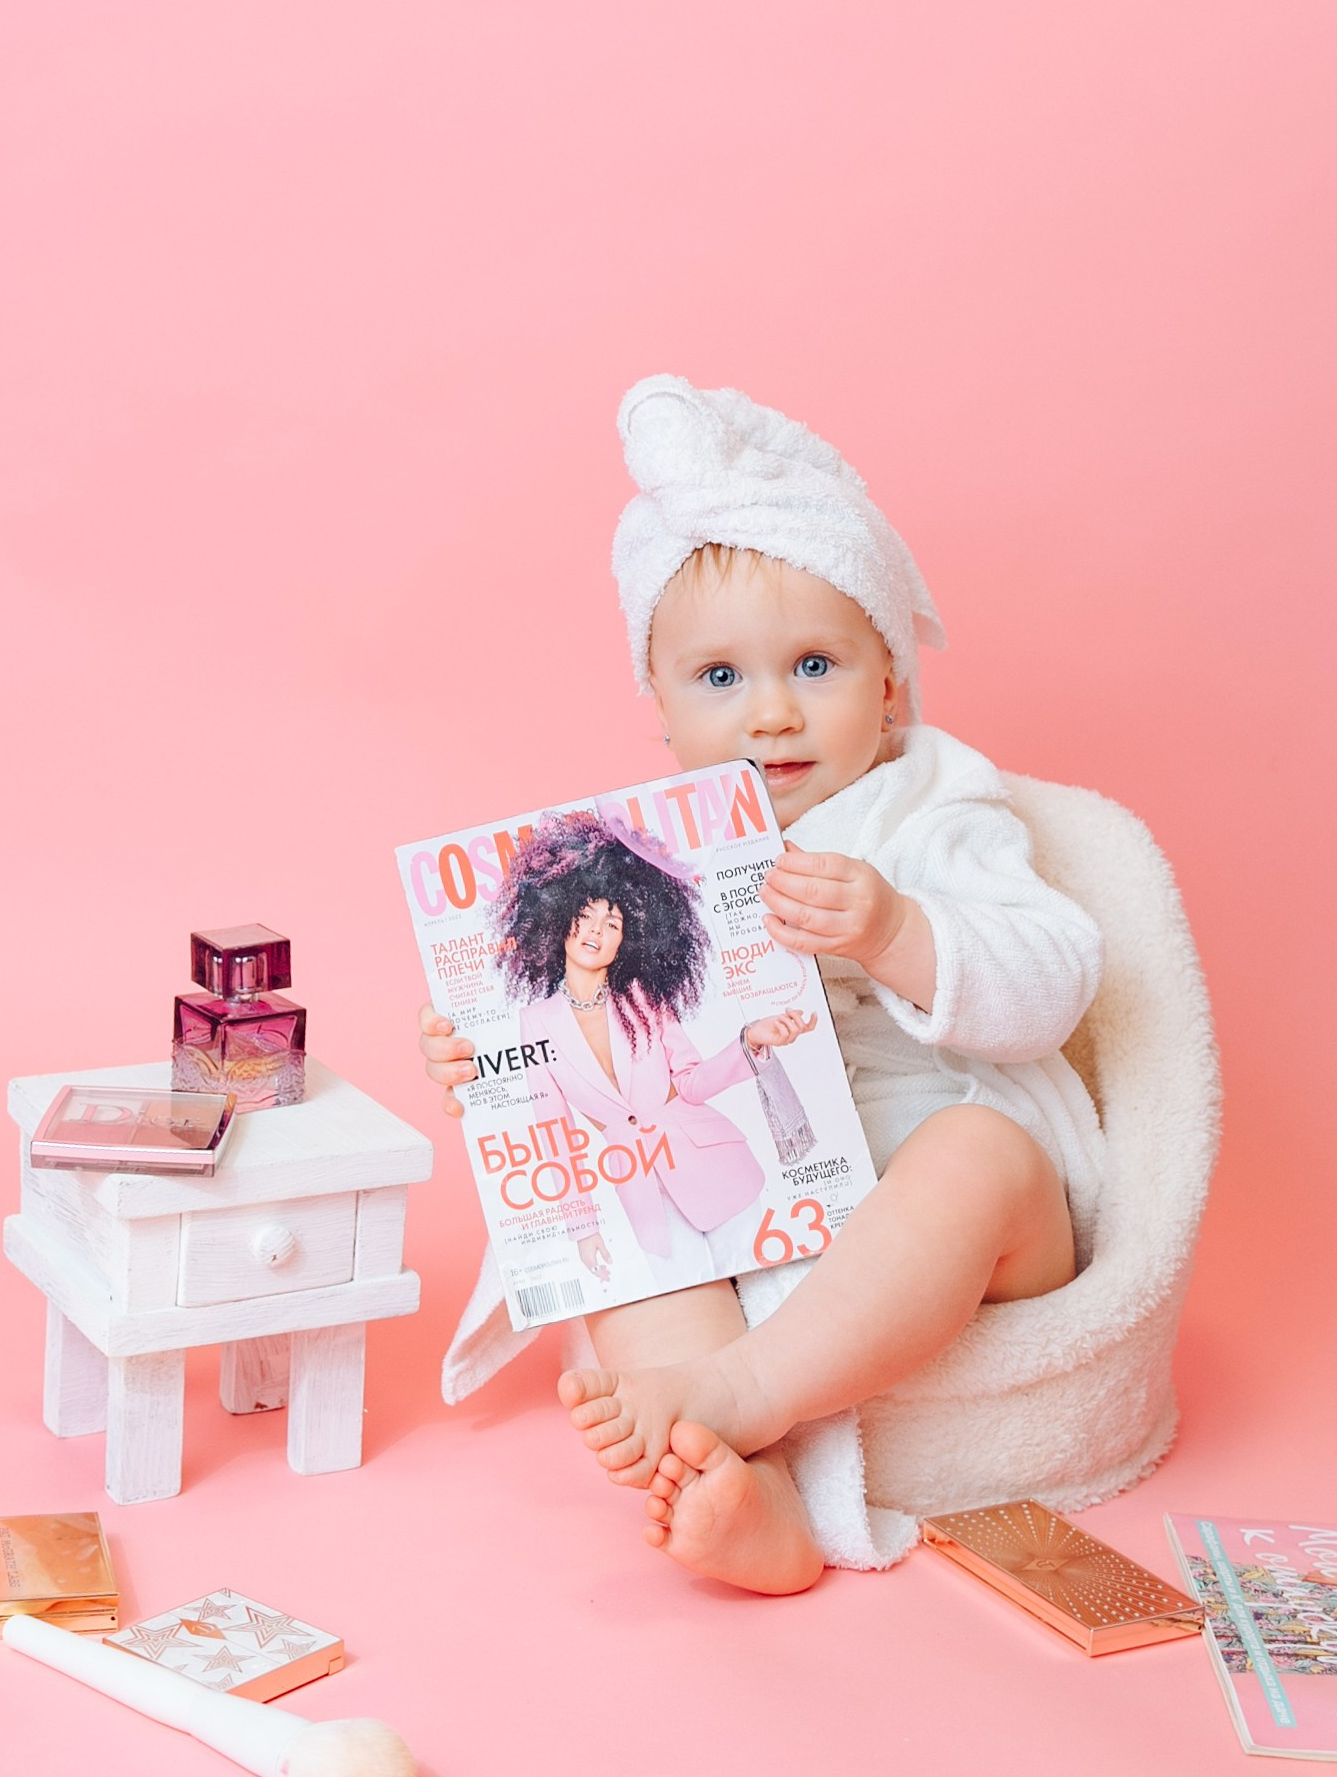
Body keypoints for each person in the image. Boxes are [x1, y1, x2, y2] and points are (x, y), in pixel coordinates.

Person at [419, 375, 1105, 1595]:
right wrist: (497, 1056)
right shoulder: (642, 866)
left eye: (814, 664)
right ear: (660, 707)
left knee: (979, 1157)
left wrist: (898, 929)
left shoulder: (931, 805)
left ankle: (738, 1394)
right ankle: (762, 1500)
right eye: (719, 678)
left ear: (888, 683)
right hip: (751, 1191)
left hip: (944, 1189)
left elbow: (1055, 975)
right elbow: (629, 1065)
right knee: (630, 1225)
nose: (771, 712)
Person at [492, 809, 816, 1289]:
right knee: (694, 1312)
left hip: (717, 1171)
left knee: (769, 1298)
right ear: (558, 919)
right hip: (645, 1199)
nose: (596, 931)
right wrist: (583, 1229)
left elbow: (692, 1082)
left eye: (612, 923)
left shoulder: (643, 997)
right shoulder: (535, 1023)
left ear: (625, 941)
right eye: (585, 915)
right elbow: (555, 1133)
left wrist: (749, 1041)